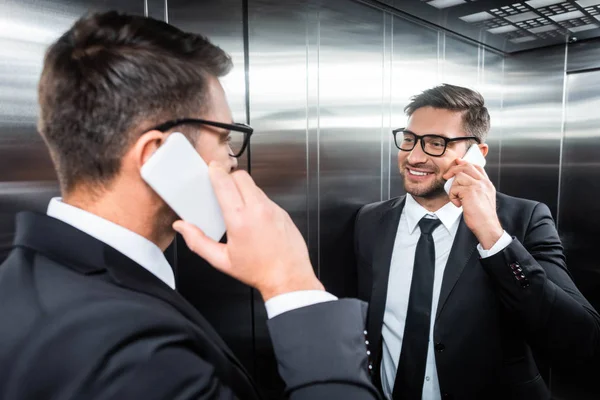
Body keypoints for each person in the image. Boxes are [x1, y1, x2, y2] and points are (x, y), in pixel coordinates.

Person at [0, 11, 380, 400]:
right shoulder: (134, 353)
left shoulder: (23, 280)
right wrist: (292, 283)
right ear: (157, 155)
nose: (233, 160)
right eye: (225, 139)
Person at [354, 84, 600, 400]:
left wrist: (493, 238)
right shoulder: (370, 221)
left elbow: (581, 341)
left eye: (436, 143)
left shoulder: (523, 220)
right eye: (409, 139)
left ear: (476, 154)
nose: (414, 156)